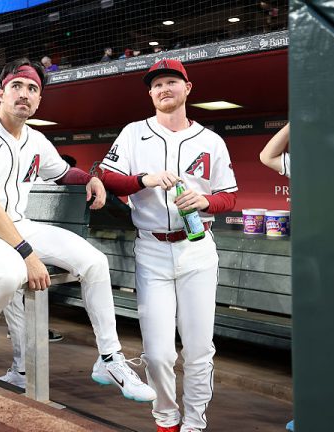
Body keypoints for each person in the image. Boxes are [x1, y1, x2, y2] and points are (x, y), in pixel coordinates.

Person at [0, 58, 156, 402]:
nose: (24, 94)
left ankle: (110, 359)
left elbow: (62, 173)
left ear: (39, 100)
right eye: (17, 86)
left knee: (95, 262)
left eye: (33, 89)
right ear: (0, 93)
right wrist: (28, 255)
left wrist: (92, 178)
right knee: (10, 273)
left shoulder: (36, 139)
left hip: (17, 224)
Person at [99, 59, 238, 432]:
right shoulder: (133, 133)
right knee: (158, 354)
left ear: (187, 88)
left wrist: (204, 201)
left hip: (197, 250)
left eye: (172, 82)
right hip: (152, 250)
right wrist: (144, 179)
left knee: (198, 350)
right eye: (157, 84)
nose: (164, 89)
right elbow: (108, 178)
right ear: (150, 93)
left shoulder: (211, 140)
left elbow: (229, 197)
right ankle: (166, 418)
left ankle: (193, 424)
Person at [260, 123, 292, 432]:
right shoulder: (310, 161)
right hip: (316, 255)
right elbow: (267, 155)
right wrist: (295, 122)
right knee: (316, 338)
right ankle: (316, 408)